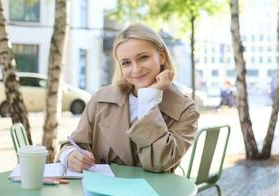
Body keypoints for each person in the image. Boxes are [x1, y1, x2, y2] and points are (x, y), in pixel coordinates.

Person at [58, 23, 199, 173]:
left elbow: (160, 163)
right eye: (126, 63)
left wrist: (148, 99)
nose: (136, 69)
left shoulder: (185, 110)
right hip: (102, 190)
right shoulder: (101, 99)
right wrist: (70, 156)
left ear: (162, 56)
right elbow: (73, 144)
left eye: (143, 57)